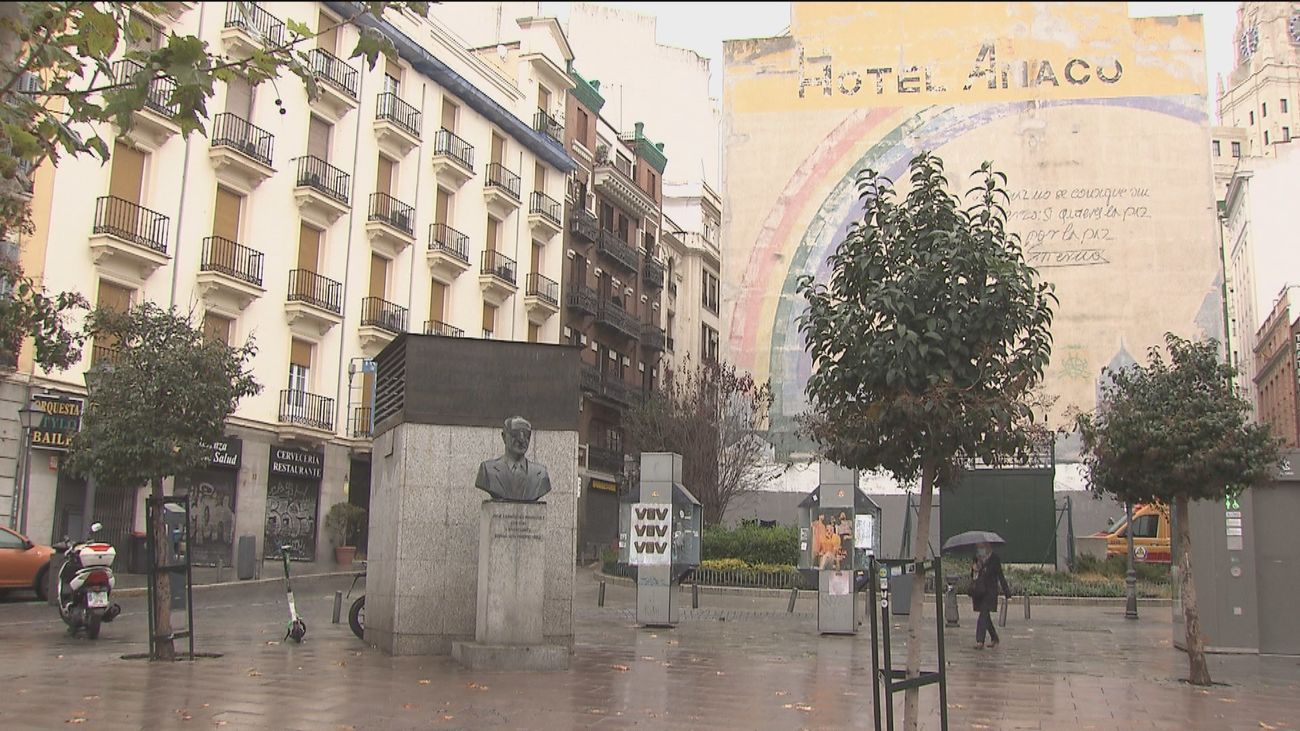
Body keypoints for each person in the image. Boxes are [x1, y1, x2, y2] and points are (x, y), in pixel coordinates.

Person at [475, 416, 552, 502]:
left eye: (526, 434)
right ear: (504, 437)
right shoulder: (487, 470)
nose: (521, 439)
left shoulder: (541, 473)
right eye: (515, 434)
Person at [970, 542, 1012, 649]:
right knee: (986, 617)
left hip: (990, 592)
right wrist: (975, 570)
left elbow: (1000, 576)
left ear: (988, 547)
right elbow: (973, 577)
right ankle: (994, 637)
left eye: (982, 547)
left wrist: (1007, 593)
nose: (980, 550)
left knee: (983, 615)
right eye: (978, 548)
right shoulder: (976, 558)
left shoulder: (994, 559)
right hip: (979, 592)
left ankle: (980, 641)